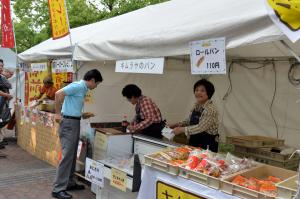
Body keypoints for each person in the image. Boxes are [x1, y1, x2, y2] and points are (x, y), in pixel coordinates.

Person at [52, 69, 103, 199]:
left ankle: (69, 182)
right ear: (91, 80)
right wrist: (57, 114)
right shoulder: (78, 85)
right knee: (67, 155)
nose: (96, 87)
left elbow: (70, 106)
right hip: (69, 123)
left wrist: (81, 114)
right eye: (96, 84)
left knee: (72, 154)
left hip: (73, 122)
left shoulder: (82, 88)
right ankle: (58, 189)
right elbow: (58, 94)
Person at [169, 79, 219, 152]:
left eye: (202, 90)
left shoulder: (210, 109)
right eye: (196, 90)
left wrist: (182, 129)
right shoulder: (197, 105)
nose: (198, 92)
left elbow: (201, 127)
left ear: (209, 93)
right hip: (194, 141)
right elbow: (189, 120)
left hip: (207, 145)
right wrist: (176, 124)